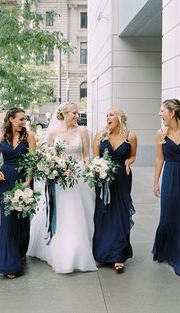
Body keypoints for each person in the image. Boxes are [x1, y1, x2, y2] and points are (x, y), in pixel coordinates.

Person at [29, 102, 97, 274]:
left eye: (77, 113)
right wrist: (54, 169)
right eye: (74, 113)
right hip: (59, 178)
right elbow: (48, 156)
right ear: (65, 114)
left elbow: (86, 155)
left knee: (82, 212)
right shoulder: (52, 132)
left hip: (79, 175)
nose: (76, 116)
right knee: (64, 211)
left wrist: (91, 173)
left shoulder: (83, 131)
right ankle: (61, 251)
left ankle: (82, 248)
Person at [92, 107, 137, 273]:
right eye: (106, 115)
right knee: (104, 213)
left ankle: (118, 255)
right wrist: (99, 170)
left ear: (119, 117)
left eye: (111, 115)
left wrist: (129, 162)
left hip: (123, 178)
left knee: (120, 214)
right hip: (103, 179)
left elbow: (132, 155)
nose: (107, 117)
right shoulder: (100, 136)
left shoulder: (130, 137)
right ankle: (102, 254)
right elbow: (95, 158)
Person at [0, 107, 36, 279]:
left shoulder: (29, 137)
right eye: (20, 119)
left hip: (23, 179)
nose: (23, 122)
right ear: (11, 119)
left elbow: (33, 161)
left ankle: (20, 250)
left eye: (24, 119)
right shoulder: (0, 137)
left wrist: (28, 181)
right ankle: (8, 263)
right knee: (7, 219)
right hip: (5, 179)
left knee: (21, 217)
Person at [152, 99, 180, 277]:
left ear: (172, 113)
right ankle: (165, 250)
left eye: (162, 111)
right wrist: (156, 181)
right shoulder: (161, 134)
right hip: (170, 177)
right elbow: (159, 159)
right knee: (168, 217)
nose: (159, 114)